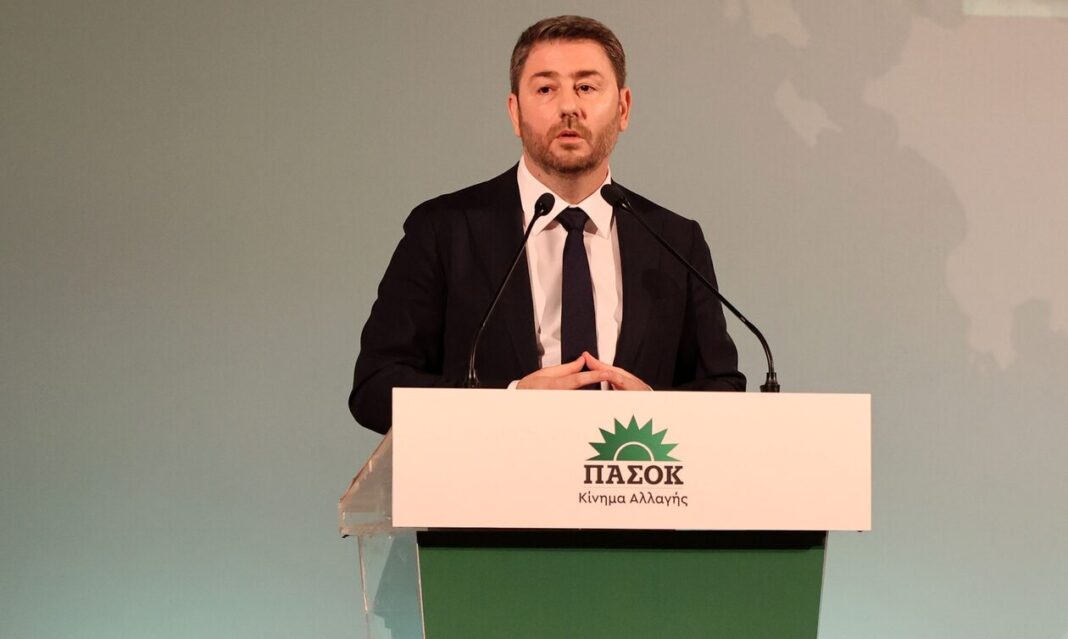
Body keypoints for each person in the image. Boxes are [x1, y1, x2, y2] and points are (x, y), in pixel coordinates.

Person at [350, 15, 745, 434]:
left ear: (623, 108)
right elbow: (376, 387)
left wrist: (656, 409)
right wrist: (509, 403)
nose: (569, 107)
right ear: (515, 112)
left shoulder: (675, 241)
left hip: (632, 470)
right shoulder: (444, 230)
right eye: (545, 89)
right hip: (494, 473)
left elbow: (724, 387)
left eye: (586, 87)